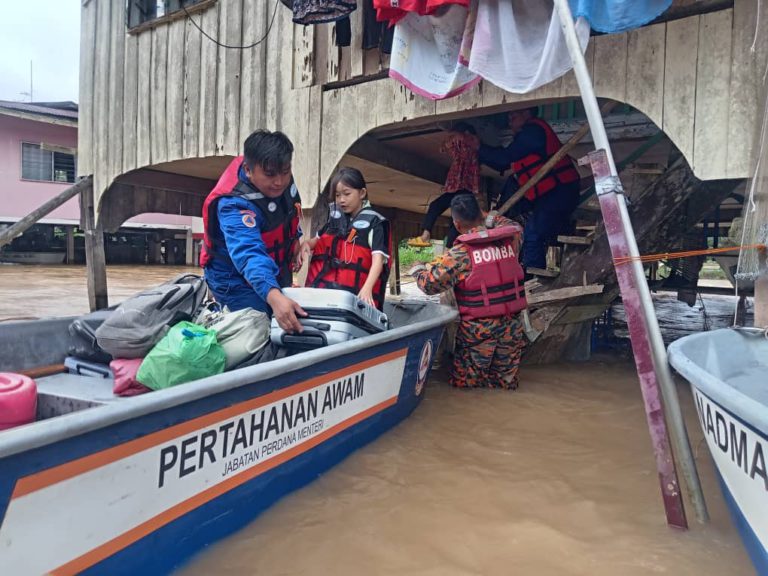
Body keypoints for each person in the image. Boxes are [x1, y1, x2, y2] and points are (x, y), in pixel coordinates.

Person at [409, 194, 527, 389]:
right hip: (512, 326)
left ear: (456, 224)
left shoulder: (460, 254)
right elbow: (512, 223)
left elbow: (430, 285)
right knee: (505, 384)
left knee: (467, 387)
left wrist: (417, 270)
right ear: (481, 214)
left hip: (478, 332)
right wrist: (488, 216)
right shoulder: (511, 239)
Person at [200, 130, 307, 333]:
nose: (279, 181)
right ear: (248, 170)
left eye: (285, 172)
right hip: (233, 277)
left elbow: (290, 213)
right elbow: (249, 255)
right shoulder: (233, 205)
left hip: (274, 267)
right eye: (270, 175)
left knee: (285, 323)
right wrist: (275, 297)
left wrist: (296, 242)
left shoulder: (282, 180)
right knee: (260, 329)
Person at [478, 106, 581, 271]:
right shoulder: (524, 138)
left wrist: (477, 146)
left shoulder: (533, 132)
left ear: (526, 113)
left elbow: (504, 159)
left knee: (533, 233)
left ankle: (532, 280)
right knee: (527, 227)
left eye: (513, 115)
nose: (510, 120)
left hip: (560, 191)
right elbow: (500, 164)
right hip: (546, 195)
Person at [302, 167, 391, 310]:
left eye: (347, 194)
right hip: (324, 298)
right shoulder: (334, 219)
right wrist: (305, 245)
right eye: (337, 195)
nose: (341, 200)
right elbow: (316, 242)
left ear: (362, 193)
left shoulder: (376, 223)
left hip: (355, 301)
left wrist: (367, 288)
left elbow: (378, 261)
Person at [408, 123, 480, 248]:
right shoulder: (464, 147)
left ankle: (447, 247)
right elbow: (447, 146)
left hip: (463, 188)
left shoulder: (469, 143)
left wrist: (450, 136)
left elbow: (451, 143)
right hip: (459, 188)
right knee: (440, 209)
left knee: (454, 218)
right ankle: (428, 236)